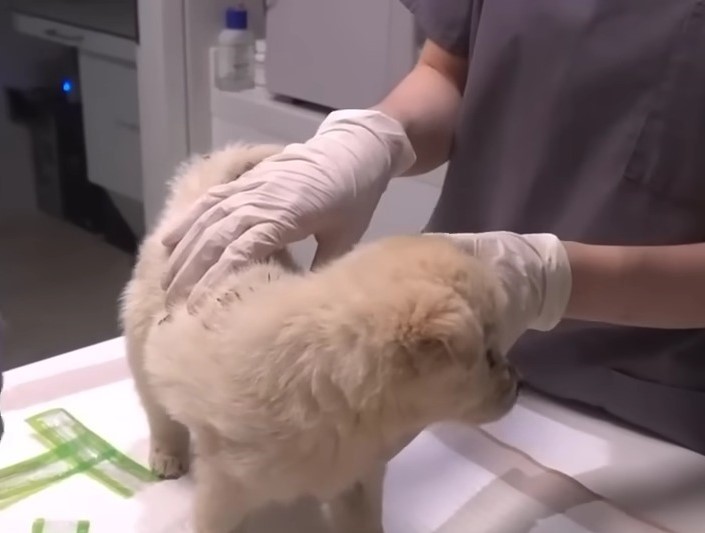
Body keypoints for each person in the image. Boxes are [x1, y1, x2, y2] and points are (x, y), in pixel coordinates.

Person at [159, 1, 705, 453]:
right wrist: (372, 140)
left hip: (656, 414)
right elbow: (446, 72)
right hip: (453, 366)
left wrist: (549, 280)